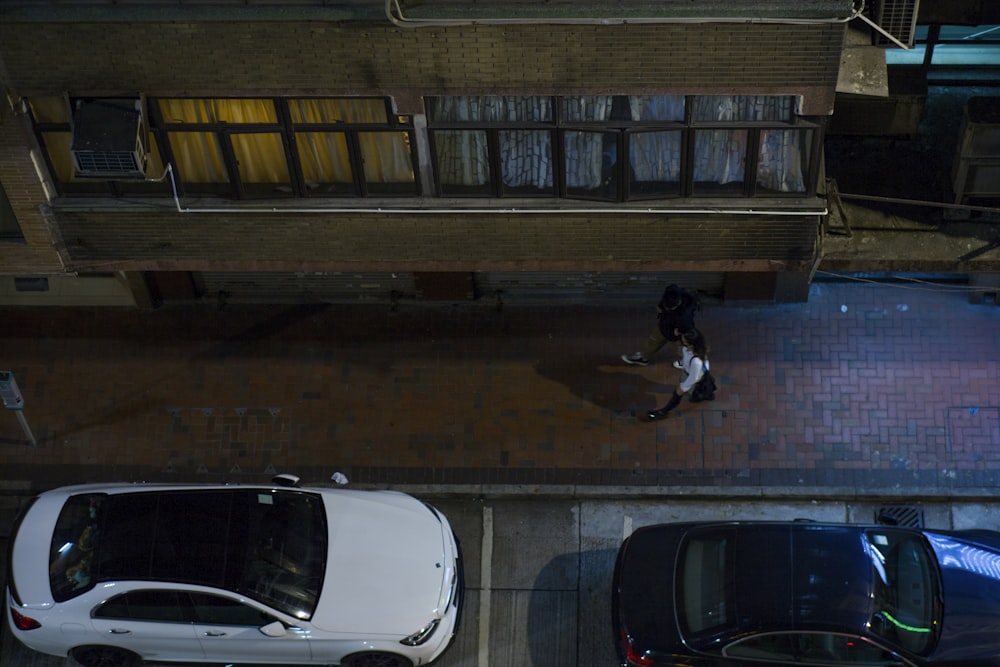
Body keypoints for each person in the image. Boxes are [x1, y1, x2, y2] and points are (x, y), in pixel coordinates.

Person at [622, 284, 699, 367]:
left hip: (676, 335)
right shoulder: (672, 293)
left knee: (681, 349)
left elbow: (686, 330)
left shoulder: (684, 317)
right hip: (664, 326)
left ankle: (688, 361)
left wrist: (677, 335)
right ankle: (643, 357)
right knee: (652, 342)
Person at [646, 328, 709, 421]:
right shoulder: (691, 349)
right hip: (688, 371)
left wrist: (683, 387)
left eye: (685, 342)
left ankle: (664, 411)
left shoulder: (696, 361)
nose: (682, 343)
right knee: (688, 390)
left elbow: (693, 378)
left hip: (693, 377)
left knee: (678, 394)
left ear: (691, 344)